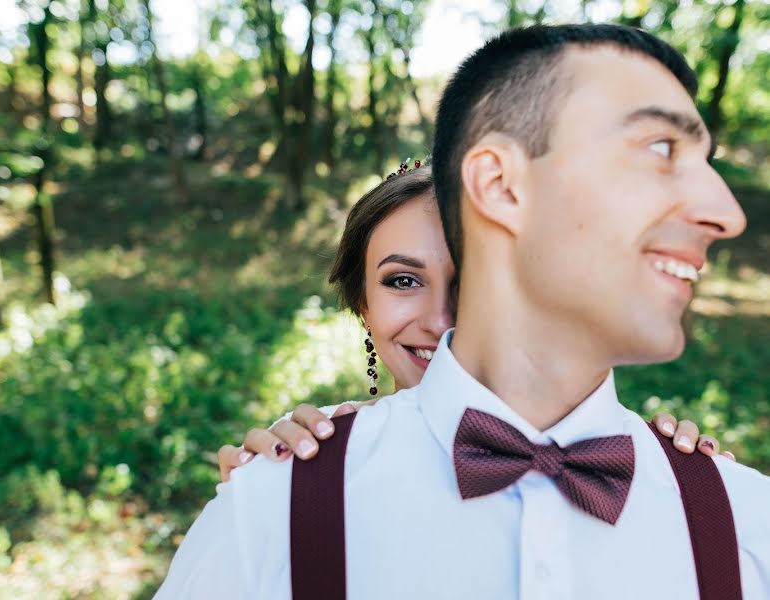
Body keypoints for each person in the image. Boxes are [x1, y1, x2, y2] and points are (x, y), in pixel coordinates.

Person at [156, 24, 770, 599]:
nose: (726, 214)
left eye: (469, 274)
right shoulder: (275, 506)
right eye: (657, 149)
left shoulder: (738, 518)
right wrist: (284, 492)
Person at [216, 165, 730, 481]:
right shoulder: (305, 465)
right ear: (362, 304)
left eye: (474, 281)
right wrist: (260, 503)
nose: (441, 319)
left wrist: (689, 487)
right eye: (402, 281)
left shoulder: (643, 465)